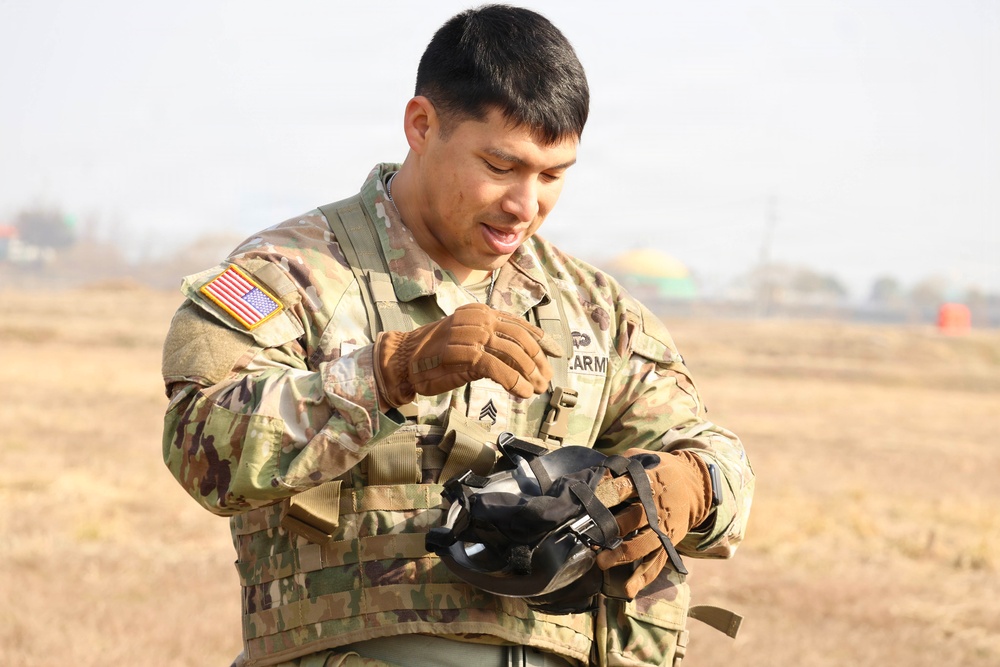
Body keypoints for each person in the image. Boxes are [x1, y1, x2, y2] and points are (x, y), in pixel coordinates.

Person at [161, 5, 754, 667]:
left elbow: (715, 457)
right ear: (421, 125)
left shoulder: (595, 310)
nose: (526, 205)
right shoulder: (294, 274)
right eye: (501, 166)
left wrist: (693, 483)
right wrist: (390, 371)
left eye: (553, 175)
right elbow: (200, 447)